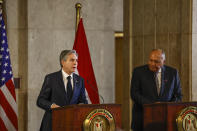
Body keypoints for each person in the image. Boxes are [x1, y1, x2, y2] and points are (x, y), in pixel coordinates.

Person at [130, 49, 182, 131]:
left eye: (156, 61)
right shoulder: (138, 72)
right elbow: (134, 94)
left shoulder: (173, 73)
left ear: (163, 62)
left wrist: (166, 107)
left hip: (166, 119)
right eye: (151, 60)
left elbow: (178, 95)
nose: (152, 64)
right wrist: (153, 106)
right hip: (142, 119)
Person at [37, 50, 88, 131]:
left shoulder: (80, 80)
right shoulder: (51, 78)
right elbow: (40, 100)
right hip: (53, 123)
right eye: (72, 60)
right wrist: (52, 105)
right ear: (63, 62)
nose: (75, 63)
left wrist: (82, 104)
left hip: (73, 124)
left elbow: (83, 100)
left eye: (76, 60)